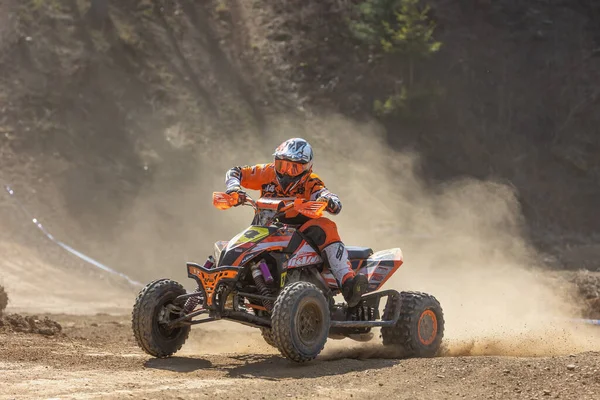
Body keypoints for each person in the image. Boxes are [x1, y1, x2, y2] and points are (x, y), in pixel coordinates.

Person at [224, 138, 368, 307]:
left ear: (307, 168)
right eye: (282, 165)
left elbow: (329, 196)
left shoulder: (311, 181)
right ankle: (229, 283)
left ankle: (348, 283)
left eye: (294, 167)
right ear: (275, 162)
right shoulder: (266, 172)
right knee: (234, 245)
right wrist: (233, 188)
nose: (286, 172)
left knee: (326, 227)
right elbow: (236, 172)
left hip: (301, 228)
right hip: (266, 225)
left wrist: (328, 201)